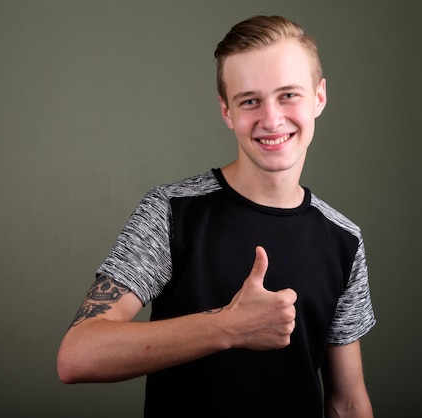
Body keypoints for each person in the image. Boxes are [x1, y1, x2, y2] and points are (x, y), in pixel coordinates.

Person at [57, 14, 376, 418]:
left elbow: (346, 403)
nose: (271, 119)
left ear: (319, 97)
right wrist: (227, 327)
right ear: (227, 111)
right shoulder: (171, 212)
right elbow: (77, 355)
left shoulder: (344, 239)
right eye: (249, 101)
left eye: (288, 95)